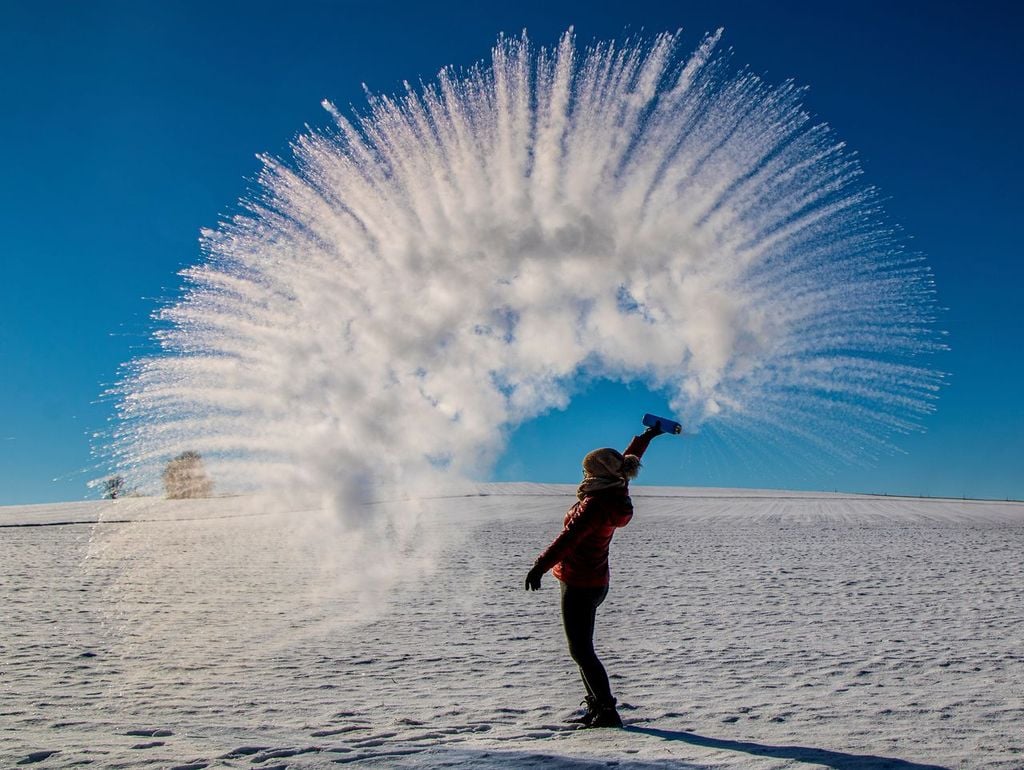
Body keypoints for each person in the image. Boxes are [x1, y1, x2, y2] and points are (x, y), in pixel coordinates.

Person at [524, 422, 665, 728]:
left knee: (581, 650)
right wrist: (647, 437)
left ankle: (606, 711)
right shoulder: (615, 488)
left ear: (598, 473)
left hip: (578, 583)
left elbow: (568, 539)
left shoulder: (595, 505)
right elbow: (625, 461)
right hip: (596, 582)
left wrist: (539, 567)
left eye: (587, 470)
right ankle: (597, 706)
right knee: (581, 649)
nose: (584, 475)